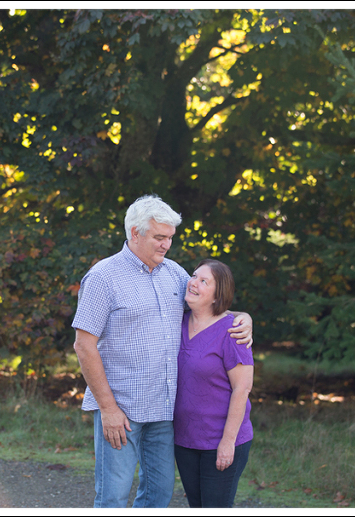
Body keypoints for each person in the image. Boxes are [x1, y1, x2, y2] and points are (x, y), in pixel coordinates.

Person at [72, 195, 253, 508]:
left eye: (170, 237)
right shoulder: (103, 277)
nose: (166, 244)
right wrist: (108, 408)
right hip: (122, 410)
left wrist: (243, 318)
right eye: (159, 237)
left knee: (158, 496)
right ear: (135, 233)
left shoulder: (175, 274)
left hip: (164, 414)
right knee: (113, 497)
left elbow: (210, 307)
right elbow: (83, 345)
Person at [173, 258, 254, 508]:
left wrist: (227, 442)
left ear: (217, 296)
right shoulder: (178, 321)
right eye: (194, 276)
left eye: (203, 281)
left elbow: (242, 389)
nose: (193, 282)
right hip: (185, 440)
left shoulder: (233, 331)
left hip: (220, 440)